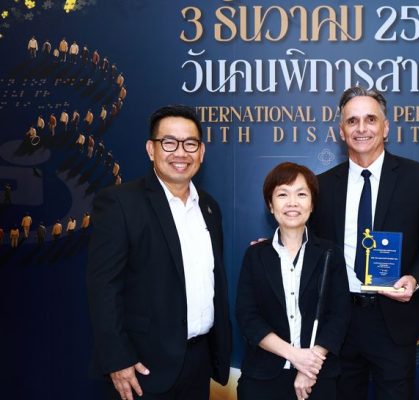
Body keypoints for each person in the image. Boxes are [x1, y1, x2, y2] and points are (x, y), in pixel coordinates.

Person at [309, 87, 419, 400]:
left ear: (386, 127)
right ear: (341, 131)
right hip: (340, 320)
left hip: (393, 321)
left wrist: (414, 279)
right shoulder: (323, 185)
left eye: (370, 119)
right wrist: (276, 244)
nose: (362, 128)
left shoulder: (418, 178)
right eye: (352, 121)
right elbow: (311, 245)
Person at [86, 105, 231, 400]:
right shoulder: (119, 203)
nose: (181, 153)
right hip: (142, 368)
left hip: (199, 362)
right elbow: (103, 288)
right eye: (169, 142)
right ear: (151, 150)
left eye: (190, 144)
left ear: (202, 152)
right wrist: (117, 359)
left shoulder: (209, 207)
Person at [237, 162, 350, 400]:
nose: (292, 203)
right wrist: (296, 356)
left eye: (301, 194)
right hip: (263, 378)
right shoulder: (255, 255)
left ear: (312, 203)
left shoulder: (330, 253)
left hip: (318, 378)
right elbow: (248, 317)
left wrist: (310, 366)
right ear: (270, 205)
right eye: (282, 194)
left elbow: (339, 315)